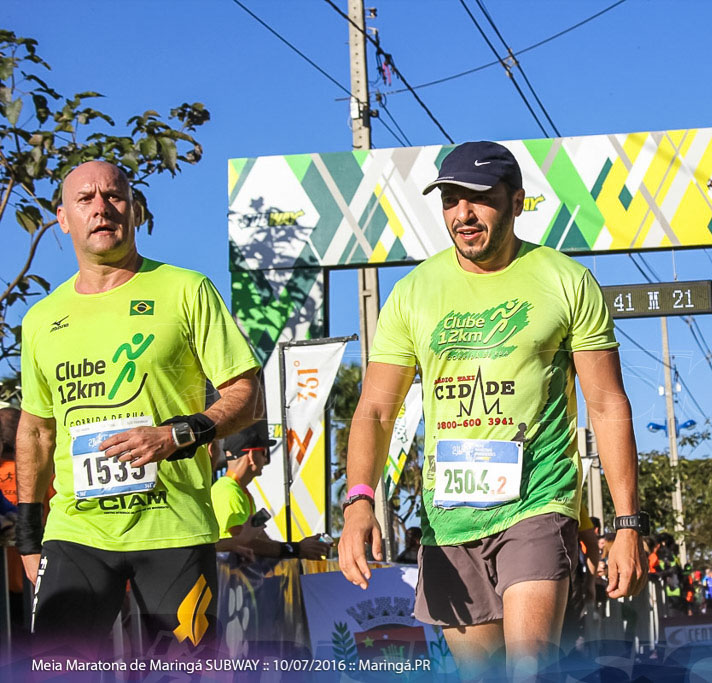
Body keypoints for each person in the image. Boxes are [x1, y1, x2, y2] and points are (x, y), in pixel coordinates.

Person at [336, 141, 646, 679]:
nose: (463, 214)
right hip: (448, 515)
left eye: (480, 199)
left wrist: (627, 524)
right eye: (451, 200)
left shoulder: (565, 280)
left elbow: (606, 402)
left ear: (517, 202)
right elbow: (376, 411)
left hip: (536, 503)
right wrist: (359, 502)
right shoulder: (413, 292)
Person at [13, 160, 262, 657]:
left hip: (173, 526)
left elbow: (247, 396)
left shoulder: (185, 289)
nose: (101, 208)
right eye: (85, 199)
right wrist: (26, 534)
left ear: (135, 210)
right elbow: (36, 432)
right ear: (62, 218)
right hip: (76, 529)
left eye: (114, 196)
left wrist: (180, 435)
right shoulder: (41, 319)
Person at [211, 421, 330, 561]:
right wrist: (296, 549)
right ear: (251, 456)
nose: (266, 459)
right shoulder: (228, 490)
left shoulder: (237, 490)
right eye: (264, 452)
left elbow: (259, 541)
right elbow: (243, 541)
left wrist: (300, 547)